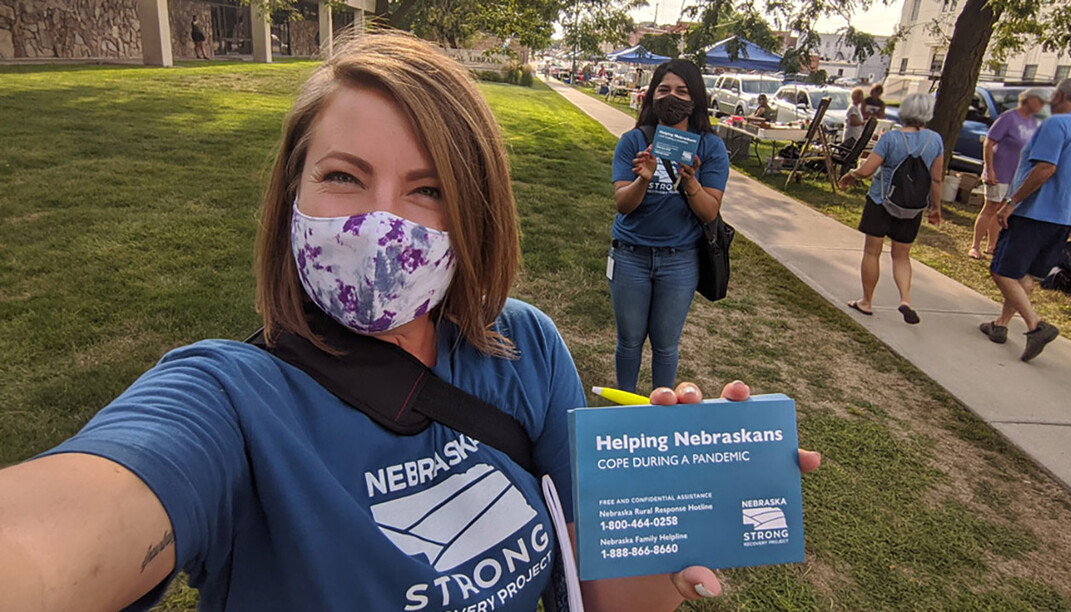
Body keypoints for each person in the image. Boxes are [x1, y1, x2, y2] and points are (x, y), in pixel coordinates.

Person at [0, 32, 821, 611]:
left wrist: (672, 527)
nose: (381, 223)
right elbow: (53, 540)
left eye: (426, 190)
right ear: (293, 195)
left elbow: (598, 596)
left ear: (473, 214)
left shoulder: (522, 346)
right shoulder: (229, 402)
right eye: (344, 177)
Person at [609, 59, 730, 392]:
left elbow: (709, 213)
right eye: (663, 90)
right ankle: (624, 405)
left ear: (696, 99)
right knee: (629, 341)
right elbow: (623, 205)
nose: (671, 97)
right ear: (652, 96)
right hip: (630, 256)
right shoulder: (633, 141)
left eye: (681, 90)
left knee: (665, 345)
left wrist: (691, 182)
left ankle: (661, 408)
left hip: (680, 259)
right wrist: (643, 179)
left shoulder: (711, 147)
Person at [981, 78, 1071, 362]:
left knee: (1001, 270)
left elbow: (1045, 169)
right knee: (1024, 275)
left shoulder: (1056, 125)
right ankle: (1001, 325)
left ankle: (1036, 326)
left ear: (1061, 96)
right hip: (1063, 216)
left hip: (1035, 213)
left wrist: (1011, 202)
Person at [838, 93, 944, 324]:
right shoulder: (935, 141)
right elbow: (936, 180)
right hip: (912, 207)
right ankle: (905, 299)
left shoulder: (890, 138)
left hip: (881, 202)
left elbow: (867, 170)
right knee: (902, 256)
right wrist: (935, 207)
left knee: (872, 252)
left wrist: (851, 174)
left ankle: (866, 301)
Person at [968, 88, 1049, 259]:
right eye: (1039, 101)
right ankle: (975, 245)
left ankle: (992, 245)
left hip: (1016, 174)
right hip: (999, 171)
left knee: (1003, 208)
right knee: (990, 207)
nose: (1042, 105)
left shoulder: (1033, 122)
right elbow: (989, 143)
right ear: (1029, 100)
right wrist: (990, 170)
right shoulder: (1008, 118)